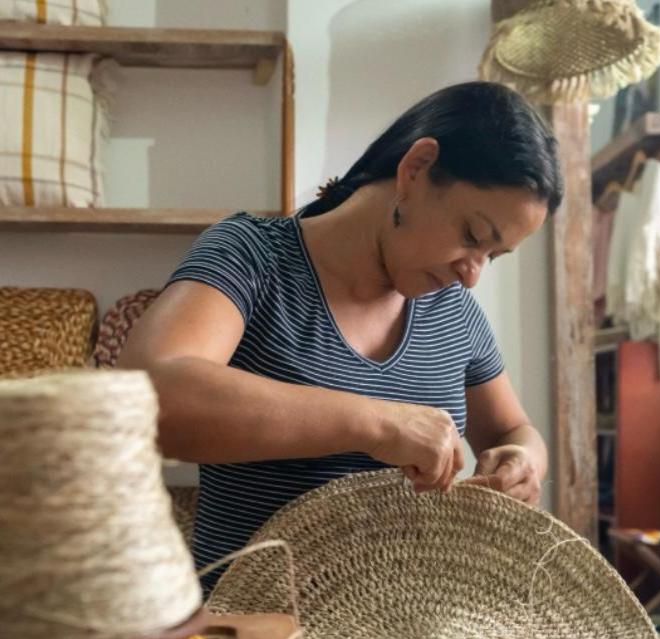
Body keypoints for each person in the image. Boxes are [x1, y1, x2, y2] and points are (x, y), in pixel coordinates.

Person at [118, 81, 563, 592]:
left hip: (415, 637)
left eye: (494, 256)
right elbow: (147, 394)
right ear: (416, 170)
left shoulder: (452, 309)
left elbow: (513, 431)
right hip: (256, 633)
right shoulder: (255, 258)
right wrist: (374, 422)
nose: (473, 274)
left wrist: (525, 462)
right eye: (473, 236)